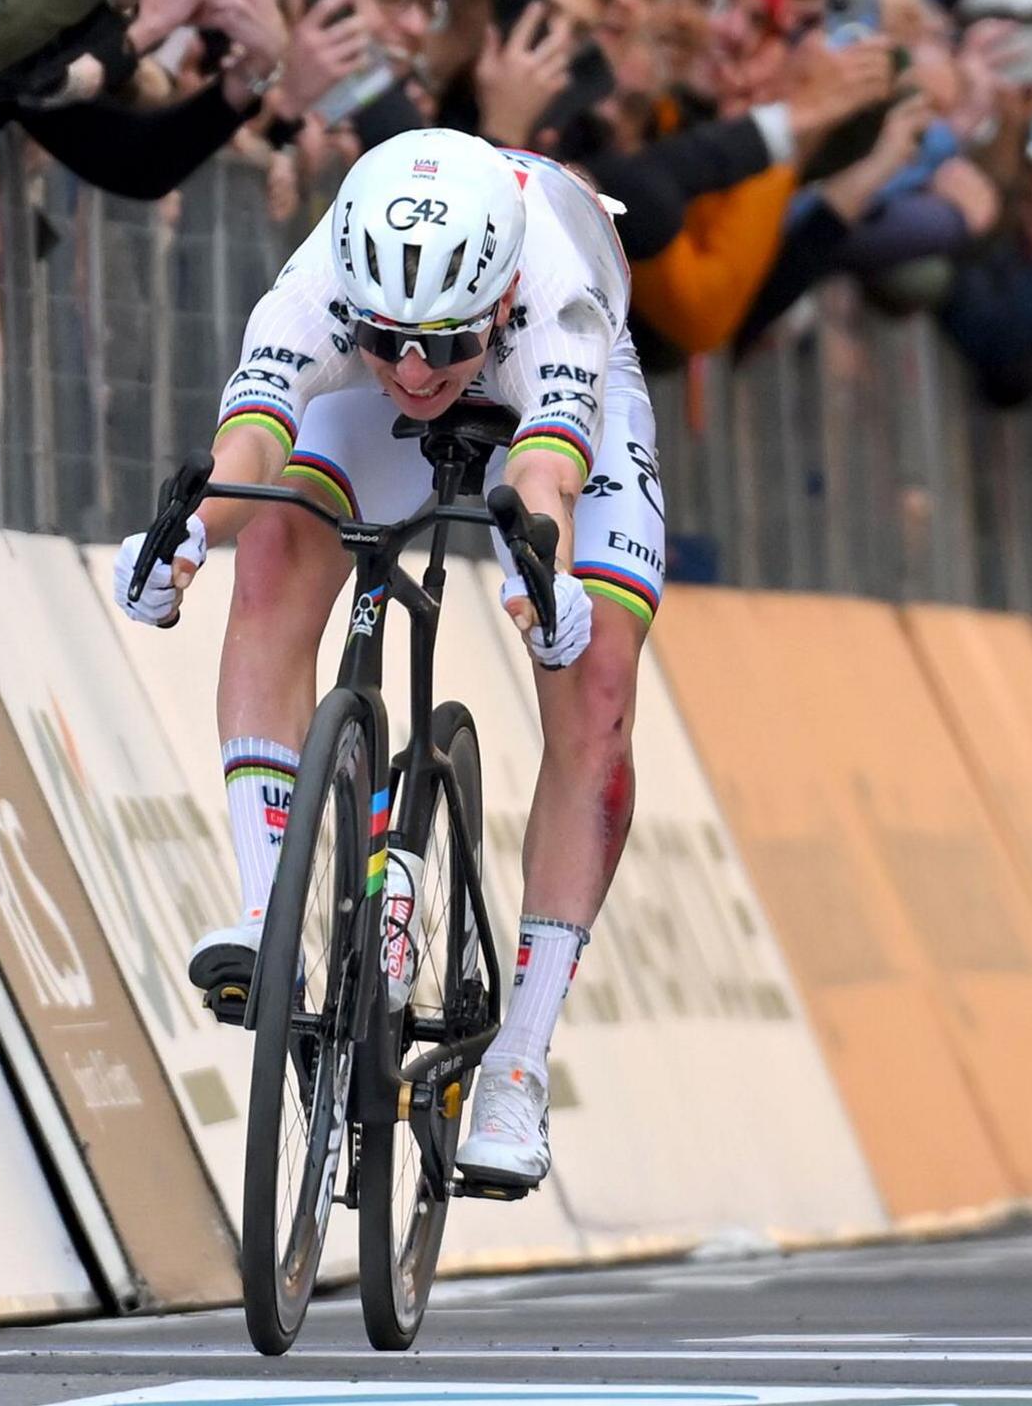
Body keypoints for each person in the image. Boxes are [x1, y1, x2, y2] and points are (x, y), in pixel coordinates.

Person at [109, 127, 665, 1192]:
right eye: (388, 339)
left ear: (498, 304)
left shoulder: (557, 297)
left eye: (443, 343)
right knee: (272, 545)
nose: (415, 369)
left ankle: (516, 1063)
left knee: (597, 687)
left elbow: (547, 472)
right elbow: (251, 445)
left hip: (553, 408)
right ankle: (272, 917)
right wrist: (181, 540)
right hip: (399, 364)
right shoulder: (324, 280)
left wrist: (538, 576)